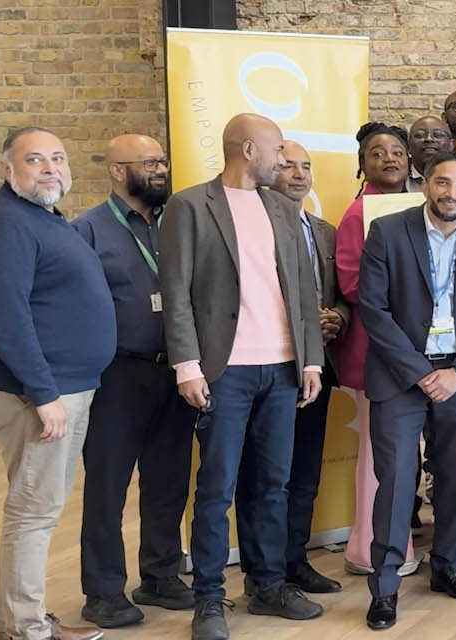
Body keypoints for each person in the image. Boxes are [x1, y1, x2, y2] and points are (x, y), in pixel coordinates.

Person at [160, 113, 326, 639]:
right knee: (216, 487)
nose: (283, 162)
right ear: (250, 150)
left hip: (282, 370)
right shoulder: (190, 206)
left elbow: (304, 293)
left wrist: (311, 360)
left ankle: (268, 584)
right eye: (278, 151)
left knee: (272, 484)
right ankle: (209, 598)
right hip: (222, 372)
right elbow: (176, 293)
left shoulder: (283, 209)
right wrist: (187, 365)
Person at [356, 152, 456, 630]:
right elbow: (373, 310)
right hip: (401, 375)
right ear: (425, 185)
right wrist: (421, 372)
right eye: (443, 183)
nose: (452, 193)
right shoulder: (388, 231)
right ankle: (384, 587)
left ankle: (447, 566)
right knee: (398, 480)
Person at [0, 127, 110, 640]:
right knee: (32, 511)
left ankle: (24, 621)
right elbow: (5, 317)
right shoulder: (5, 224)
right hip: (39, 391)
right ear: (7, 169)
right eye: (35, 160)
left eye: (58, 157)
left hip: (62, 384)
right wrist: (43, 392)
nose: (50, 168)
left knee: (39, 506)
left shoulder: (40, 216)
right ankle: (25, 631)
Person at [70, 134, 196, 630]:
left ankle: (160, 576)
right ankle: (102, 591)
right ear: (117, 171)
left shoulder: (178, 223)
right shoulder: (87, 231)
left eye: (162, 160)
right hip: (116, 375)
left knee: (168, 480)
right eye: (149, 163)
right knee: (108, 485)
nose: (161, 169)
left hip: (178, 368)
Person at [237, 139, 347, 598]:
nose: (299, 174)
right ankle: (261, 569)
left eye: (306, 166)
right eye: (287, 166)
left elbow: (342, 292)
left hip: (316, 367)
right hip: (268, 366)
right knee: (262, 473)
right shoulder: (249, 227)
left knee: (304, 470)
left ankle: (294, 559)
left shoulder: (325, 231)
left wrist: (336, 317)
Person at [335, 123, 421, 578]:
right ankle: (371, 549)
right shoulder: (357, 214)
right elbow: (351, 283)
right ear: (362, 165)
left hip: (418, 347)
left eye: (397, 152)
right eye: (377, 153)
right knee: (380, 453)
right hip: (378, 350)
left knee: (399, 451)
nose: (389, 159)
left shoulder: (421, 209)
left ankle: (387, 542)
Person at [407, 115, 452, 192]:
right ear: (409, 145)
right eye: (420, 135)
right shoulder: (397, 176)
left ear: (451, 145)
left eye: (438, 135)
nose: (429, 139)